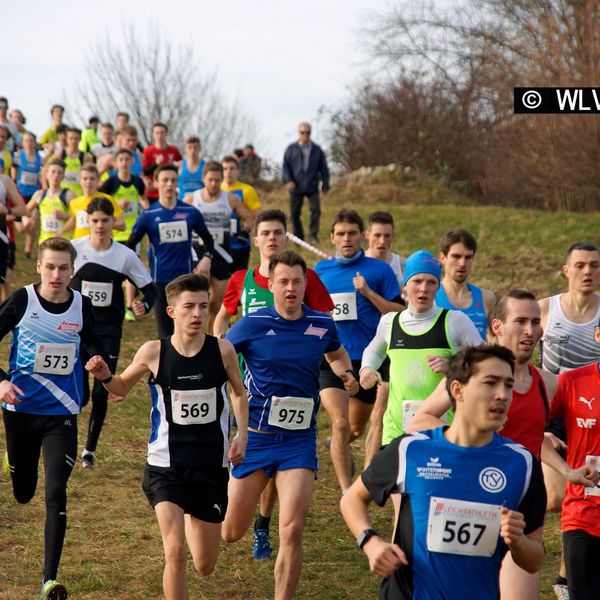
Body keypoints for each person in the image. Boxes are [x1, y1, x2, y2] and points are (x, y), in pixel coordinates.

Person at [408, 289, 597, 599]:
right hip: (471, 494)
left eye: (536, 322)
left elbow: (534, 437)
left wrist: (567, 471)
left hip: (521, 503)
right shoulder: (474, 372)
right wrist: (473, 438)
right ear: (497, 326)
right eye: (520, 321)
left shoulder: (547, 382)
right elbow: (420, 419)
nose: (530, 330)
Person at [85, 273, 248, 600]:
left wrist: (242, 435)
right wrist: (104, 375)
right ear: (172, 312)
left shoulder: (224, 351)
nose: (198, 314)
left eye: (203, 306)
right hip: (165, 467)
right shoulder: (153, 352)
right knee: (174, 551)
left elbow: (239, 394)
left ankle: (191, 513)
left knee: (205, 565)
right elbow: (120, 387)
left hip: (210, 467)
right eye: (189, 307)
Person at [341, 345, 547, 600]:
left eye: (508, 385)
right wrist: (370, 542)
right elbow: (352, 499)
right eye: (490, 383)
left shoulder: (523, 464)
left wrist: (518, 542)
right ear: (457, 390)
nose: (502, 395)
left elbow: (535, 559)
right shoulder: (411, 449)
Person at [222, 250, 358, 600]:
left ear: (305, 284)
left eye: (297, 281)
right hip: (256, 439)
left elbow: (336, 352)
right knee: (230, 532)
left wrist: (345, 372)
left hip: (298, 442)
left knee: (293, 530)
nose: (291, 287)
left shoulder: (321, 324)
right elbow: (219, 356)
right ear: (271, 285)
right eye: (283, 281)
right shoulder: (252, 324)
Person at [213, 209, 334, 561]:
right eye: (265, 232)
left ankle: (264, 525)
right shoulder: (243, 279)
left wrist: (342, 367)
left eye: (278, 232)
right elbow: (223, 316)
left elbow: (324, 322)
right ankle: (239, 501)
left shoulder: (303, 277)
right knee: (232, 526)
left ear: (285, 237)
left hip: (295, 398)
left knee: (281, 477)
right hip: (251, 391)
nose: (271, 238)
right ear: (256, 240)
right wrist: (219, 346)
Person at [0, 237, 107, 600]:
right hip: (20, 409)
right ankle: (13, 460)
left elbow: (92, 341)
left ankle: (49, 580)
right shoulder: (21, 301)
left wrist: (96, 359)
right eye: (50, 267)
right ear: (39, 268)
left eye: (64, 268)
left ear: (73, 270)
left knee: (56, 492)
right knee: (24, 492)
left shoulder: (82, 305)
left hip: (61, 412)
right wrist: (0, 381)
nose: (57, 274)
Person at [314, 209, 403, 493]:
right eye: (340, 233)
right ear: (332, 238)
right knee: (339, 424)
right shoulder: (320, 272)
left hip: (369, 360)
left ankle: (345, 453)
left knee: (357, 428)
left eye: (352, 233)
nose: (346, 238)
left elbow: (400, 312)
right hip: (331, 359)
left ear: (361, 236)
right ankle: (347, 492)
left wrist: (368, 293)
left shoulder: (379, 270)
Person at [360, 249, 482, 450]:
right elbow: (374, 351)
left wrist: (453, 366)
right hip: (397, 431)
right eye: (417, 281)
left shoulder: (455, 321)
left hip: (442, 429)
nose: (423, 288)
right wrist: (366, 369)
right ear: (405, 285)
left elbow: (485, 363)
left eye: (431, 282)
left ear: (438, 287)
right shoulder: (390, 322)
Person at [71, 197, 156, 468]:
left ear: (113, 222)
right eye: (94, 220)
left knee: (100, 390)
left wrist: (144, 304)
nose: (99, 226)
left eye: (105, 220)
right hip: (75, 327)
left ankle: (89, 451)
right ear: (87, 220)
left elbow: (151, 289)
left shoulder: (125, 255)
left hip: (108, 329)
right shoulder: (74, 250)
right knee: (80, 394)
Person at [539, 241, 600, 599]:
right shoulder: (547, 309)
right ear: (567, 270)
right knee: (553, 497)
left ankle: (566, 574)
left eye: (594, 265)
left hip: (590, 409)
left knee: (575, 493)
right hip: (559, 408)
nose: (588, 271)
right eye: (580, 265)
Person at [125, 164, 214, 338]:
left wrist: (207, 258)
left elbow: (209, 240)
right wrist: (136, 272)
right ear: (156, 183)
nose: (169, 184)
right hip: (160, 282)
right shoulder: (148, 215)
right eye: (165, 180)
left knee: (188, 331)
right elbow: (130, 246)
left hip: (186, 280)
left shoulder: (190, 212)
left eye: (173, 180)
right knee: (165, 335)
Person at [548, 324, 600, 600]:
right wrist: (565, 469)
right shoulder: (572, 381)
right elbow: (532, 421)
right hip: (582, 514)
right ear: (598, 335)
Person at [184, 161, 253, 333]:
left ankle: (212, 338)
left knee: (219, 301)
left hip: (221, 254)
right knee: (197, 298)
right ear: (203, 178)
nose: (214, 184)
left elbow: (248, 217)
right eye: (210, 180)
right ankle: (194, 336)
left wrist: (245, 230)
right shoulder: (193, 198)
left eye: (217, 180)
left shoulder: (230, 198)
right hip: (198, 254)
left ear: (222, 179)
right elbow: (178, 217)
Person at [363, 211, 405, 466]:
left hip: (396, 345)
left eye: (387, 236)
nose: (381, 241)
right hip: (363, 347)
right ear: (367, 235)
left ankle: (370, 469)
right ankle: (340, 441)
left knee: (380, 410)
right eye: (376, 235)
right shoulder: (358, 265)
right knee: (358, 422)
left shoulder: (401, 265)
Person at [99, 148, 146, 320]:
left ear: (132, 161)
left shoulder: (137, 182)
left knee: (131, 267)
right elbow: (102, 204)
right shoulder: (111, 182)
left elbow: (143, 199)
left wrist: (147, 209)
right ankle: (110, 301)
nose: (124, 163)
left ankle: (128, 306)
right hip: (115, 231)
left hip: (134, 232)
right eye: (121, 160)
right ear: (116, 162)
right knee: (112, 267)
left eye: (127, 159)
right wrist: (116, 204)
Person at [435, 229, 496, 339]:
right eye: (456, 256)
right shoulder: (431, 297)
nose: (462, 263)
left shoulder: (486, 298)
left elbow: (495, 338)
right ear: (443, 258)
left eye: (468, 257)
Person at [282, 122, 330, 243]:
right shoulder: (291, 149)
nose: (305, 135)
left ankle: (313, 236)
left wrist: (325, 183)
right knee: (294, 213)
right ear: (298, 133)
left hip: (312, 186)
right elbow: (285, 167)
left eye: (308, 132)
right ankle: (299, 238)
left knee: (316, 211)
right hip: (295, 187)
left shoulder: (317, 149)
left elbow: (324, 168)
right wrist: (288, 181)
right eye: (302, 132)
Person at [60, 164, 125, 239]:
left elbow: (122, 225)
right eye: (85, 178)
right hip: (80, 246)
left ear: (98, 180)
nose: (88, 182)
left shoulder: (107, 199)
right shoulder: (74, 202)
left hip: (102, 245)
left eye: (92, 179)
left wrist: (102, 223)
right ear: (80, 181)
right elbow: (74, 220)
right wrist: (61, 232)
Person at [221, 155, 261, 272]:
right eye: (225, 169)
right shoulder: (216, 189)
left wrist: (247, 229)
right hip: (219, 243)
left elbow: (256, 213)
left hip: (240, 242)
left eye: (232, 168)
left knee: (240, 279)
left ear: (238, 171)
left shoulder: (247, 190)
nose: (228, 172)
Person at [25, 159, 74, 246]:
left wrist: (65, 216)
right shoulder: (39, 194)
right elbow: (24, 211)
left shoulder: (69, 195)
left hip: (64, 242)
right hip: (45, 242)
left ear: (63, 176)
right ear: (47, 174)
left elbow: (78, 217)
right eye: (53, 172)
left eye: (59, 173)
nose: (56, 175)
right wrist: (25, 219)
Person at [12, 131, 42, 258]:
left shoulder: (40, 158)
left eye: (31, 140)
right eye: (26, 140)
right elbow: (13, 171)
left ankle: (28, 252)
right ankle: (18, 219)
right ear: (23, 143)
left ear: (35, 142)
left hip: (34, 195)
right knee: (21, 229)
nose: (29, 143)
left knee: (33, 222)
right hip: (20, 194)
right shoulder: (19, 156)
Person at [142, 122, 182, 203]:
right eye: (157, 133)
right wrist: (156, 164)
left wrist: (177, 165)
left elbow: (181, 167)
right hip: (153, 193)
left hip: (171, 192)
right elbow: (143, 172)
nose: (159, 135)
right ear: (153, 134)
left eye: (162, 132)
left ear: (166, 134)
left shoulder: (174, 150)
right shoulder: (147, 151)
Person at [57, 127, 93, 198]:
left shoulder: (86, 157)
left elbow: (92, 175)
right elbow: (45, 172)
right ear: (66, 139)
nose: (73, 141)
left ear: (80, 139)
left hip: (79, 195)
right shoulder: (60, 154)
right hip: (62, 195)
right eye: (71, 138)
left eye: (76, 138)